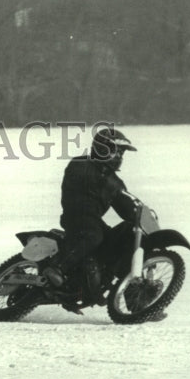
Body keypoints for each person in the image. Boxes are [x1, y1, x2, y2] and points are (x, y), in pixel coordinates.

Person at [40, 127, 140, 306]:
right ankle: (56, 268)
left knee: (124, 240)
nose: (119, 157)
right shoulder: (82, 164)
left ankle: (137, 301)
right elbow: (85, 178)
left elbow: (124, 205)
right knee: (92, 235)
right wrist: (112, 185)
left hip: (95, 221)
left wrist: (137, 211)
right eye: (117, 151)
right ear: (102, 148)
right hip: (76, 216)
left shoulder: (114, 181)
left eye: (122, 153)